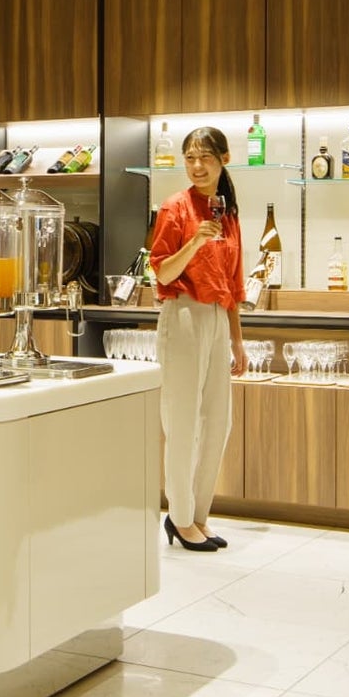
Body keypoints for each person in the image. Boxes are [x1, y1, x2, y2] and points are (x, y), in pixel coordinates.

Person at [149, 125, 249, 553]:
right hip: (184, 315)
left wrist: (238, 341)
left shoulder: (229, 213)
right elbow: (163, 272)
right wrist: (194, 241)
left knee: (218, 423)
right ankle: (179, 515)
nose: (196, 166)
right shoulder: (175, 207)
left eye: (205, 157)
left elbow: (234, 283)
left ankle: (199, 515)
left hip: (217, 318)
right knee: (182, 421)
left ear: (224, 160)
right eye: (190, 157)